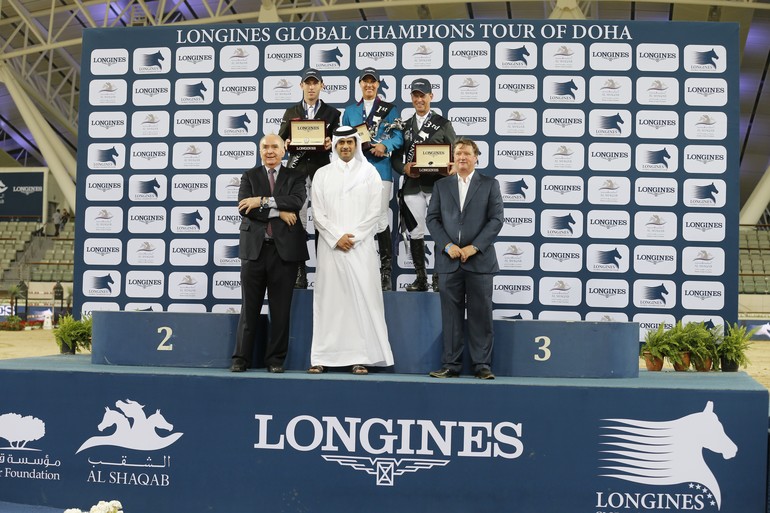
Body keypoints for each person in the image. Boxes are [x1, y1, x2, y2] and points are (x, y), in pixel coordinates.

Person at [307, 126, 393, 375]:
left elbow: (376, 212)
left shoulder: (370, 173)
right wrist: (336, 238)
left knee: (361, 301)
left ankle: (360, 357)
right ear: (334, 145)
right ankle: (323, 356)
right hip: (331, 247)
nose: (345, 147)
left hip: (360, 247)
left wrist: (352, 238)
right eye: (341, 143)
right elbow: (319, 213)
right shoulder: (322, 174)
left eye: (349, 142)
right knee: (330, 300)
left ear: (356, 145)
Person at [426, 139, 504, 380]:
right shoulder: (441, 185)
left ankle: (482, 366)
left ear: (476, 157)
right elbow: (432, 219)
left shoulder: (490, 185)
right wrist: (447, 245)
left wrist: (475, 247)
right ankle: (451, 364)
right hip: (449, 261)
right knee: (450, 317)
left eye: (467, 154)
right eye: (458, 153)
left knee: (481, 314)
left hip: (479, 262)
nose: (462, 157)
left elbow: (496, 220)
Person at [231, 133, 309, 373]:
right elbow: (245, 207)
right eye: (265, 147)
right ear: (260, 150)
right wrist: (277, 211)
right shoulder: (249, 176)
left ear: (284, 150)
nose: (270, 151)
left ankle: (275, 360)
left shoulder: (296, 176)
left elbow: (295, 202)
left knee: (280, 310)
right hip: (254, 251)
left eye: (275, 146)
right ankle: (241, 359)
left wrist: (262, 201)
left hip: (284, 253)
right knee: (249, 308)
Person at [342, 67, 404, 291]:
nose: (369, 85)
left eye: (373, 82)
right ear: (360, 84)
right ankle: (357, 268)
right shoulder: (350, 111)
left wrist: (384, 145)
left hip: (381, 169)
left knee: (379, 217)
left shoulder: (390, 109)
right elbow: (343, 138)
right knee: (356, 216)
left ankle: (385, 271)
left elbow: (399, 137)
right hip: (356, 170)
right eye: (365, 82)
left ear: (378, 85)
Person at [278, 67, 340, 289]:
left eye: (315, 83)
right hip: (296, 173)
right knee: (298, 223)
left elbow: (341, 142)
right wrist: (284, 144)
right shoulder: (291, 111)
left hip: (322, 171)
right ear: (301, 86)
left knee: (323, 222)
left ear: (322, 86)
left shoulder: (333, 114)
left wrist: (330, 143)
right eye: (308, 83)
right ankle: (299, 273)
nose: (311, 86)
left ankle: (324, 272)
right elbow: (279, 140)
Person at [392, 78, 456, 292]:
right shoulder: (404, 126)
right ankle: (421, 278)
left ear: (431, 96)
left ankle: (438, 278)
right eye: (416, 95)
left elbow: (455, 154)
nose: (419, 99)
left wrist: (451, 167)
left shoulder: (443, 123)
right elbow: (395, 158)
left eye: (423, 95)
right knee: (416, 232)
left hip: (437, 187)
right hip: (412, 188)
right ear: (411, 98)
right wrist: (404, 169)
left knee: (439, 232)